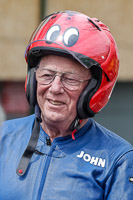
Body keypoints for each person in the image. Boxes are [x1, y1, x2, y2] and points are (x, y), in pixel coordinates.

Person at [0, 10, 133, 200]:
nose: (55, 88)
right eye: (47, 75)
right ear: (32, 79)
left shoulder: (117, 159)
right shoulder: (3, 137)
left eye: (70, 79)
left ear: (94, 90)